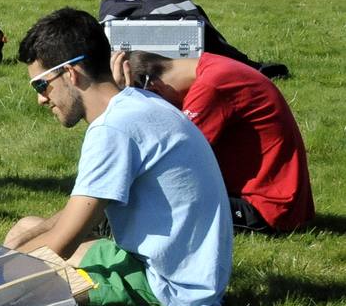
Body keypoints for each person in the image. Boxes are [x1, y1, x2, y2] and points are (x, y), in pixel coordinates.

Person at [3, 8, 232, 306]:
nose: (41, 99)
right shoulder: (136, 104)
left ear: (71, 73)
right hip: (184, 271)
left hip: (170, 289)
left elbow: (62, 242)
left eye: (41, 86)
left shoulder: (114, 130)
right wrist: (15, 253)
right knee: (26, 229)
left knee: (21, 289)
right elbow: (80, 212)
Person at [113, 50, 314, 234]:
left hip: (266, 209)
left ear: (154, 88)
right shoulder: (212, 66)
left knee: (135, 207)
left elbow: (167, 160)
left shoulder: (211, 87)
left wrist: (126, 109)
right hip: (275, 199)